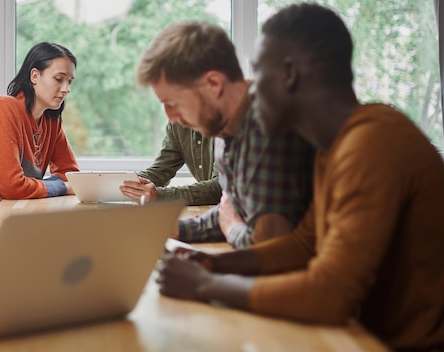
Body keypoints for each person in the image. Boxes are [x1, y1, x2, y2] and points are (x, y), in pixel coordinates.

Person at [157, 4, 444, 351]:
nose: (250, 91)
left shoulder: (373, 142)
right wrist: (216, 263)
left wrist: (205, 285)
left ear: (289, 74)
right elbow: (305, 245)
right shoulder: (334, 147)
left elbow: (330, 294)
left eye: (258, 75)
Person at [134, 21, 315, 248]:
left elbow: (266, 246)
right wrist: (174, 229)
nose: (171, 117)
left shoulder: (268, 128)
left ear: (214, 84)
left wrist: (231, 226)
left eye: (172, 103)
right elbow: (229, 211)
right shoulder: (225, 128)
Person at [0, 42, 80, 216]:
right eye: (58, 79)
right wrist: (61, 187)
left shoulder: (52, 122)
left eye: (69, 82)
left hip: (11, 213)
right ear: (35, 76)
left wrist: (21, 189)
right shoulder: (5, 107)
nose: (66, 89)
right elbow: (11, 186)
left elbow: (72, 177)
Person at [120, 122, 221, 206]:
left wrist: (161, 196)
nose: (170, 115)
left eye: (172, 103)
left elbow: (220, 187)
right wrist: (130, 183)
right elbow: (161, 170)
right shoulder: (177, 125)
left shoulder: (229, 125)